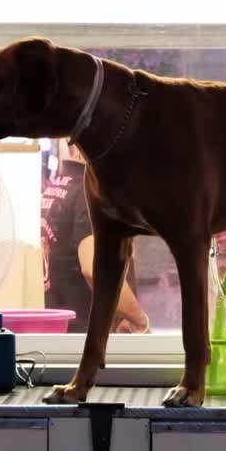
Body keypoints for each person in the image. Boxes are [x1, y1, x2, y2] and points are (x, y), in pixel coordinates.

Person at [41, 139, 150, 334]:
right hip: (85, 334)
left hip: (62, 331)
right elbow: (95, 268)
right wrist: (138, 318)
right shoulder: (89, 192)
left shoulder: (57, 188)